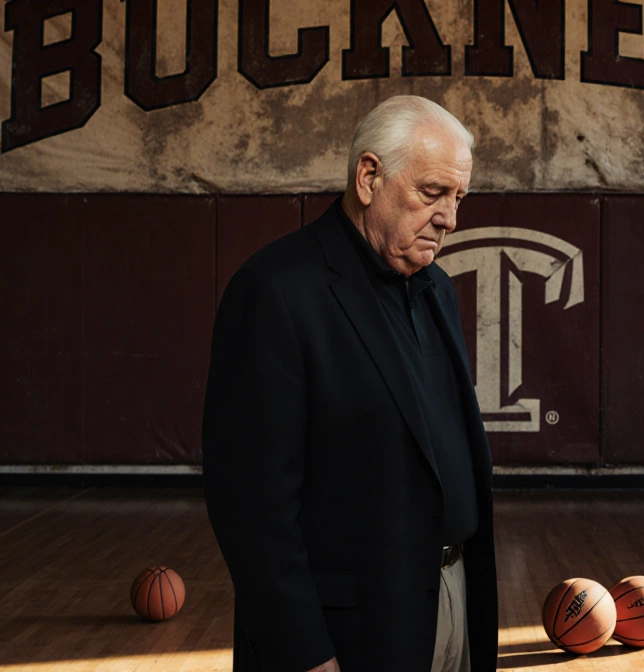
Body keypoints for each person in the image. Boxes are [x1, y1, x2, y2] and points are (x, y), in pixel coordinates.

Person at [201, 95, 498, 672]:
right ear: (368, 178)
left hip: (452, 601)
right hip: (351, 632)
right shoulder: (276, 290)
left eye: (458, 198)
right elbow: (252, 507)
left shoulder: (436, 287)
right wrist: (304, 652)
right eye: (432, 193)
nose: (450, 218)